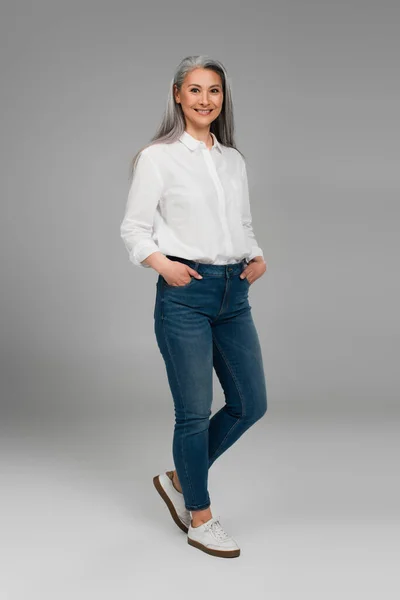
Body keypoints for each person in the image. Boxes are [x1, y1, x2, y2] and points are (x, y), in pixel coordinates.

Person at [120, 55, 268, 558]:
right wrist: (166, 266)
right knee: (194, 414)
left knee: (252, 403)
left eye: (215, 91)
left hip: (234, 294)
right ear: (178, 95)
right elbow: (134, 231)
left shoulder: (233, 159)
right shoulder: (158, 157)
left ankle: (180, 476)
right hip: (186, 293)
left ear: (223, 99)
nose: (206, 100)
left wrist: (258, 255)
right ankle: (200, 517)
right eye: (196, 90)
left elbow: (242, 224)